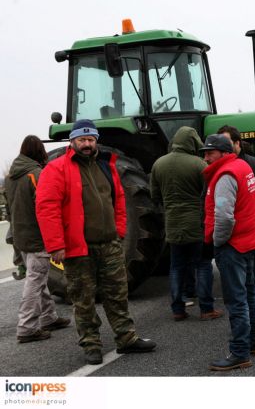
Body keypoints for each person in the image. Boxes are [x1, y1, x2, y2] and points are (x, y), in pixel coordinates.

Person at [35, 119, 156, 365]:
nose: (87, 144)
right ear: (73, 141)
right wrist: (56, 244)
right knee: (83, 299)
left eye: (91, 139)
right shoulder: (57, 169)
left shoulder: (107, 166)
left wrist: (119, 232)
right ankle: (91, 345)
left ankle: (126, 338)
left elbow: (119, 200)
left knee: (117, 294)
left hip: (109, 244)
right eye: (82, 139)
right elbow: (47, 208)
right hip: (79, 248)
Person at [201, 134, 255, 371]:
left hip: (232, 246)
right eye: (205, 153)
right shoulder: (243, 166)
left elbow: (224, 216)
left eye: (210, 152)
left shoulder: (225, 175)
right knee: (251, 294)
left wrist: (218, 241)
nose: (206, 157)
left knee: (236, 300)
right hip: (247, 241)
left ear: (222, 152)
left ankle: (239, 353)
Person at [150, 126, 224, 322]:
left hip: (173, 224)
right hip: (196, 224)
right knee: (203, 265)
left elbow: (154, 196)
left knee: (176, 267)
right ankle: (206, 309)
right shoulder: (199, 164)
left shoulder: (159, 164)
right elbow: (210, 193)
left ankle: (178, 309)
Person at [5, 135, 71, 343]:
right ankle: (26, 328)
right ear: (39, 151)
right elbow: (47, 208)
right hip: (37, 237)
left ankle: (48, 317)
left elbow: (9, 209)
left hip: (20, 237)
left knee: (38, 279)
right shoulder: (37, 174)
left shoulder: (10, 177)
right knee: (35, 282)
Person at [217, 125, 255, 335]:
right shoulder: (221, 168)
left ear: (237, 144)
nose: (224, 148)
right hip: (235, 238)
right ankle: (251, 325)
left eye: (227, 143)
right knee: (242, 285)